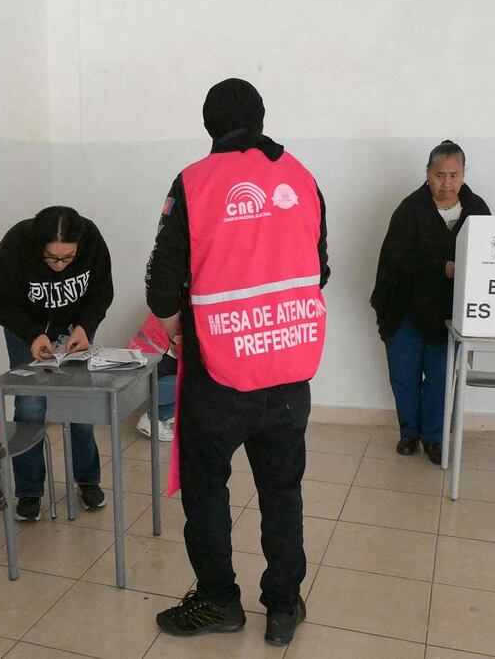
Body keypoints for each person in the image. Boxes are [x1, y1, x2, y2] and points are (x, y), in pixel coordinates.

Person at [147, 78, 329, 646]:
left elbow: (160, 285)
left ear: (209, 124)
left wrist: (182, 335)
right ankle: (283, 607)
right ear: (261, 118)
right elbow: (319, 270)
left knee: (207, 491)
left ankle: (219, 602)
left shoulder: (193, 182)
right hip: (289, 372)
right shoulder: (303, 178)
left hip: (217, 376)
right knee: (282, 492)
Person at [0, 206, 114, 521]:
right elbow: (0, 302)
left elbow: (102, 291)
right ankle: (29, 491)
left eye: (67, 258)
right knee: (30, 406)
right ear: (38, 246)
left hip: (75, 328)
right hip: (26, 330)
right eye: (51, 258)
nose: (59, 265)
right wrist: (32, 335)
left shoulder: (91, 238)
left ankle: (88, 480)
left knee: (80, 404)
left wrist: (85, 326)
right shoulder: (16, 243)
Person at [369, 140, 491, 465]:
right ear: (427, 173)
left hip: (451, 312)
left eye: (454, 175)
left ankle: (434, 438)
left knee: (440, 376)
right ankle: (409, 433)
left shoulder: (477, 209)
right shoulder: (409, 209)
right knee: (405, 374)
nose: (446, 183)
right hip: (405, 307)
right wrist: (442, 267)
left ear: (463, 174)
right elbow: (395, 260)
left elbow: (490, 258)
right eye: (440, 176)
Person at [127, 313, 178, 441]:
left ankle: (167, 412)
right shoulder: (187, 318)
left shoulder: (167, 308)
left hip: (130, 380)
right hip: (139, 390)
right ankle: (155, 419)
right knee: (202, 381)